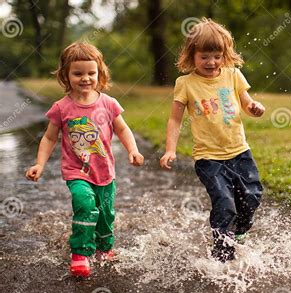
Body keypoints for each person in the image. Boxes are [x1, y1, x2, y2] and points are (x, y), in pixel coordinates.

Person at [25, 42, 144, 277]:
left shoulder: (108, 103)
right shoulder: (62, 108)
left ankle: (103, 248)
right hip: (77, 172)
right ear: (65, 75)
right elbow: (49, 138)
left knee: (105, 214)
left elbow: (123, 129)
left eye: (91, 72)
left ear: (100, 73)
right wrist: (39, 163)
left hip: (105, 172)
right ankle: (80, 253)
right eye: (78, 73)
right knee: (85, 204)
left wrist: (133, 150)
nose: (85, 78)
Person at [160, 18, 265, 262]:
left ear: (225, 54)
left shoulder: (233, 75)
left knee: (252, 196)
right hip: (209, 158)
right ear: (192, 55)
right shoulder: (185, 83)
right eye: (204, 56)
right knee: (224, 202)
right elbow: (175, 120)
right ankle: (222, 255)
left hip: (240, 151)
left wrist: (254, 107)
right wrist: (170, 150)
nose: (211, 62)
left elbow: (246, 103)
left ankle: (239, 232)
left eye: (217, 56)